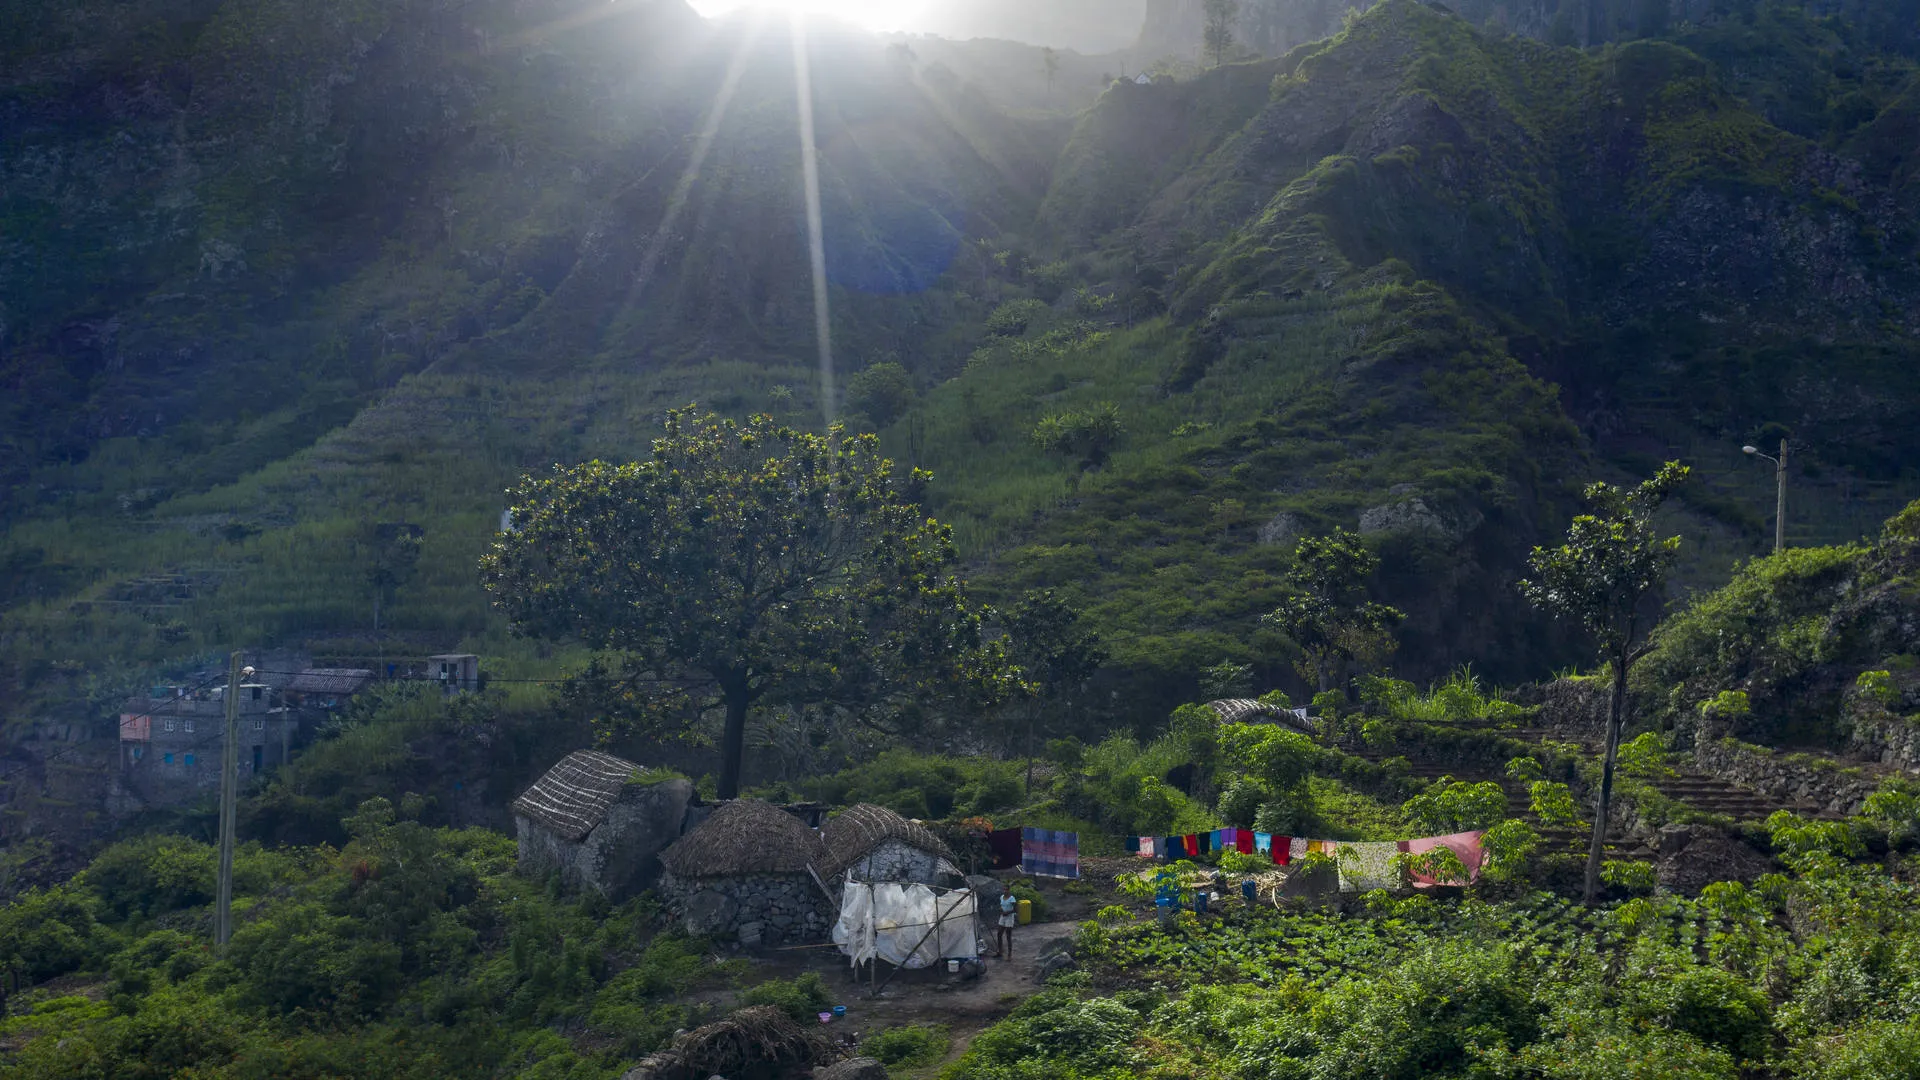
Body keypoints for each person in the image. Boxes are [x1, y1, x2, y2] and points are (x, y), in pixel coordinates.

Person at [995, 883, 1018, 960]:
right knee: (999, 934)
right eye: (1004, 889)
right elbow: (1001, 905)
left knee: (1008, 936)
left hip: (1009, 917)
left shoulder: (1012, 898)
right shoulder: (1001, 897)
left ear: (1009, 890)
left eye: (1006, 889)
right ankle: (1000, 951)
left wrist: (1007, 912)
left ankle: (1009, 954)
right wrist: (1001, 909)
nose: (1005, 891)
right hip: (1002, 916)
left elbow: (1015, 909)